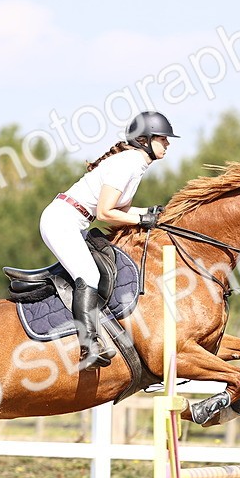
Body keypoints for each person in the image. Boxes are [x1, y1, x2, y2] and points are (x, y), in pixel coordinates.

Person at [40, 110, 178, 369]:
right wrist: (141, 220)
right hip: (62, 221)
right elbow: (105, 213)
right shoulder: (129, 163)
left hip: (73, 221)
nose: (168, 143)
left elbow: (119, 209)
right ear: (144, 140)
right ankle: (88, 347)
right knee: (89, 276)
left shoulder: (135, 163)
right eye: (163, 138)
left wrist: (153, 214)